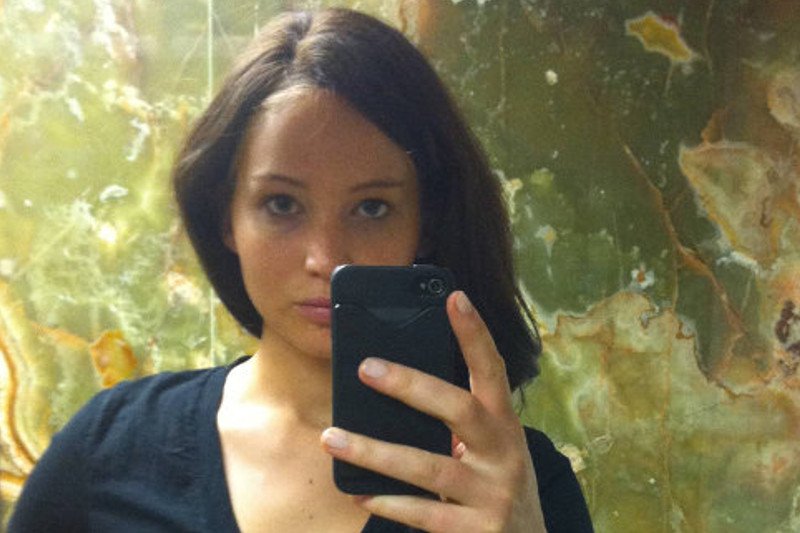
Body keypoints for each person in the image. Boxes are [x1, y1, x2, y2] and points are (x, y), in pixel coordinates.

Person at [9, 8, 593, 533]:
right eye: (282, 204)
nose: (327, 258)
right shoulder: (110, 448)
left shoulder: (516, 486)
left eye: (372, 207)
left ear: (426, 224)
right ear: (226, 218)